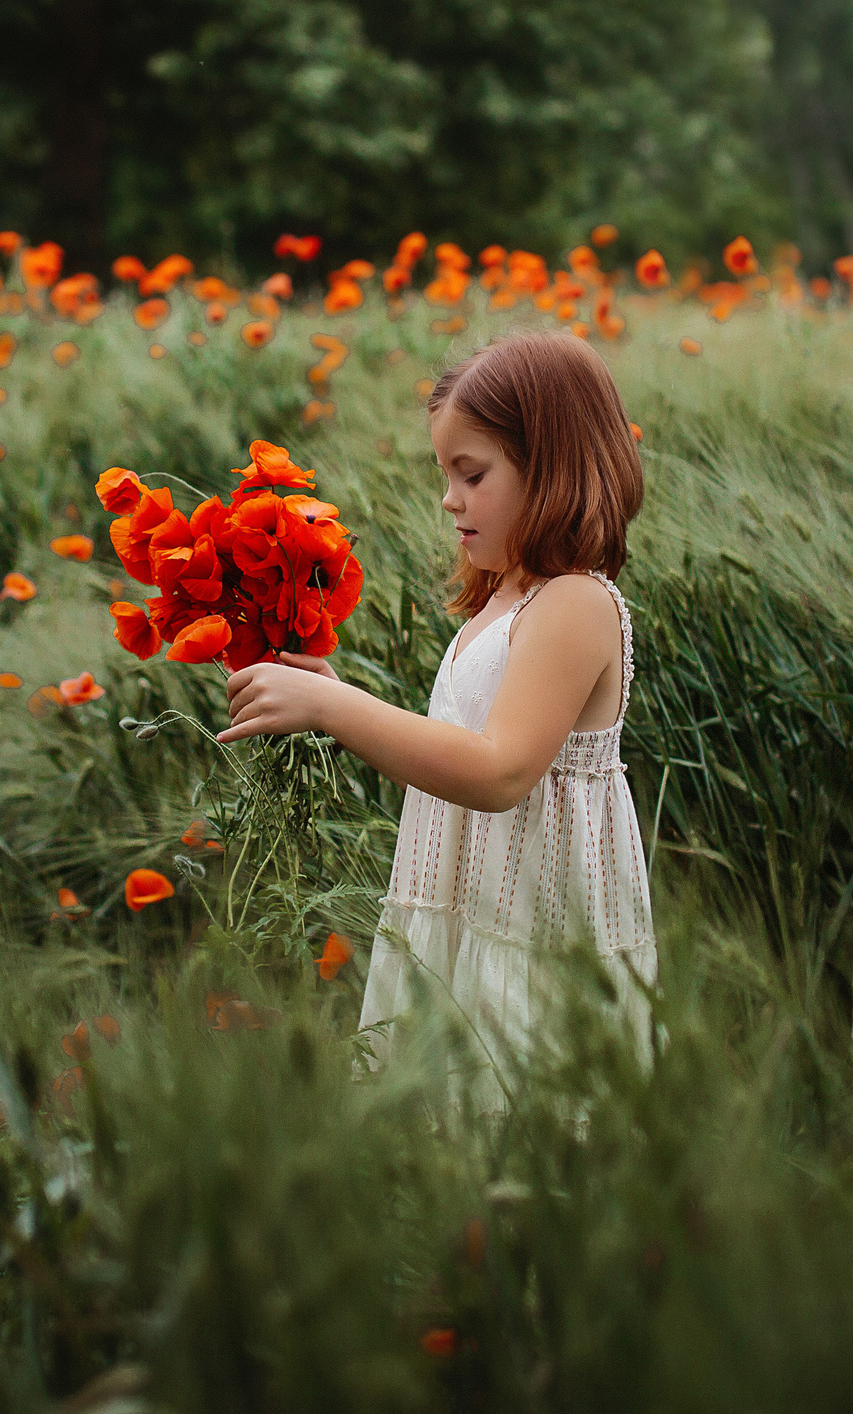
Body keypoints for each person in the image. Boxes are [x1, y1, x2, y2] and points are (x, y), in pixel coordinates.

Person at [218, 333, 657, 1093]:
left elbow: (499, 772)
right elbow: (457, 745)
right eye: (445, 473)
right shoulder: (502, 600)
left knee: (521, 1126)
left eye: (472, 473)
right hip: (462, 912)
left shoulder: (577, 603)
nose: (449, 498)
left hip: (533, 930)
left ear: (551, 465)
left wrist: (336, 706)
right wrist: (331, 689)